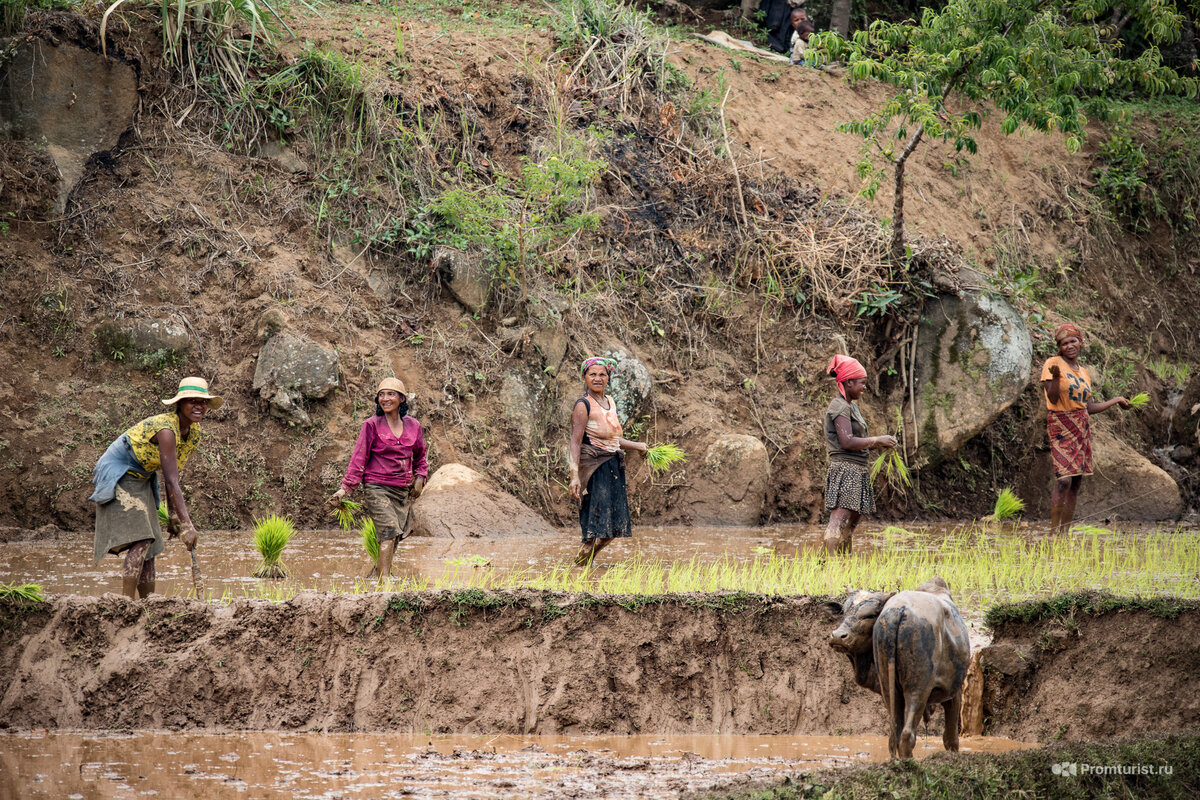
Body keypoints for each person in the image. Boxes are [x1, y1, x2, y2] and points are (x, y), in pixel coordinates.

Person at [89, 377, 220, 598]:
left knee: (152, 546)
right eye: (192, 401)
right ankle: (125, 604)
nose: (199, 406)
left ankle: (149, 604)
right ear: (180, 404)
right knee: (143, 538)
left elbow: (172, 475)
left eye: (203, 402)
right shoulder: (167, 430)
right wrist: (187, 525)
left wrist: (173, 517)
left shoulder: (193, 434)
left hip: (143, 476)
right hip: (121, 471)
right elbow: (171, 481)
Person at [330, 377, 428, 584]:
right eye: (381, 395)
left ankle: (380, 573)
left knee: (397, 535)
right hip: (377, 487)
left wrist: (420, 478)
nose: (385, 398)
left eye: (391, 394)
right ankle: (384, 583)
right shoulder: (371, 425)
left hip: (402, 490)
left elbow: (420, 456)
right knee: (389, 531)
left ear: (401, 399)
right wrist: (344, 490)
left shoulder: (413, 426)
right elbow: (359, 458)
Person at [1041, 324, 1129, 533]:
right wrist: (1054, 378)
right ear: (1059, 347)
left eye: (1073, 341)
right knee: (1064, 480)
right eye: (1064, 343)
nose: (1069, 346)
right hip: (1060, 424)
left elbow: (1088, 407)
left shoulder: (1084, 373)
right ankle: (1054, 531)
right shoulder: (1053, 364)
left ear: (1080, 342)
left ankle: (1065, 531)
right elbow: (1052, 398)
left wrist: (1116, 400)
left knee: (1076, 483)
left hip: (1081, 427)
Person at [568, 357, 648, 566]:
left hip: (612, 464)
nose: (597, 378)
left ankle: (585, 561)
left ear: (608, 378)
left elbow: (612, 438)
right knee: (597, 523)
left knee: (615, 526)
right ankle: (584, 557)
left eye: (602, 374)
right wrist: (574, 475)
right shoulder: (583, 405)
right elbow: (575, 442)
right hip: (594, 467)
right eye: (592, 374)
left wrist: (637, 445)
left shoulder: (610, 402)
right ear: (584, 377)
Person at [823, 355, 897, 555]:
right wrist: (877, 440)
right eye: (862, 383)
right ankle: (830, 565)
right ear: (848, 382)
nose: (865, 387)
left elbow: (857, 441)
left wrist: (883, 443)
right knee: (839, 520)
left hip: (857, 469)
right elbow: (846, 442)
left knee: (851, 522)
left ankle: (843, 563)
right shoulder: (839, 407)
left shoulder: (851, 407)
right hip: (845, 469)